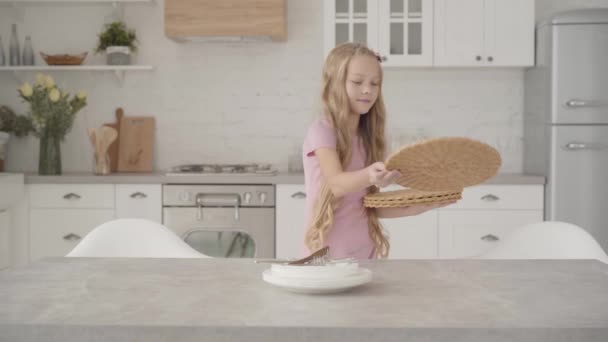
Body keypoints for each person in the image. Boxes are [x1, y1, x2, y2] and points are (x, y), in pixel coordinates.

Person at [303, 42, 455, 259]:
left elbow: (365, 208)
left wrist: (420, 206)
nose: (368, 90)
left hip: (365, 250)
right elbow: (336, 184)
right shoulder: (323, 130)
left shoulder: (367, 138)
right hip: (328, 254)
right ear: (335, 83)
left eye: (375, 83)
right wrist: (370, 175)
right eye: (357, 82)